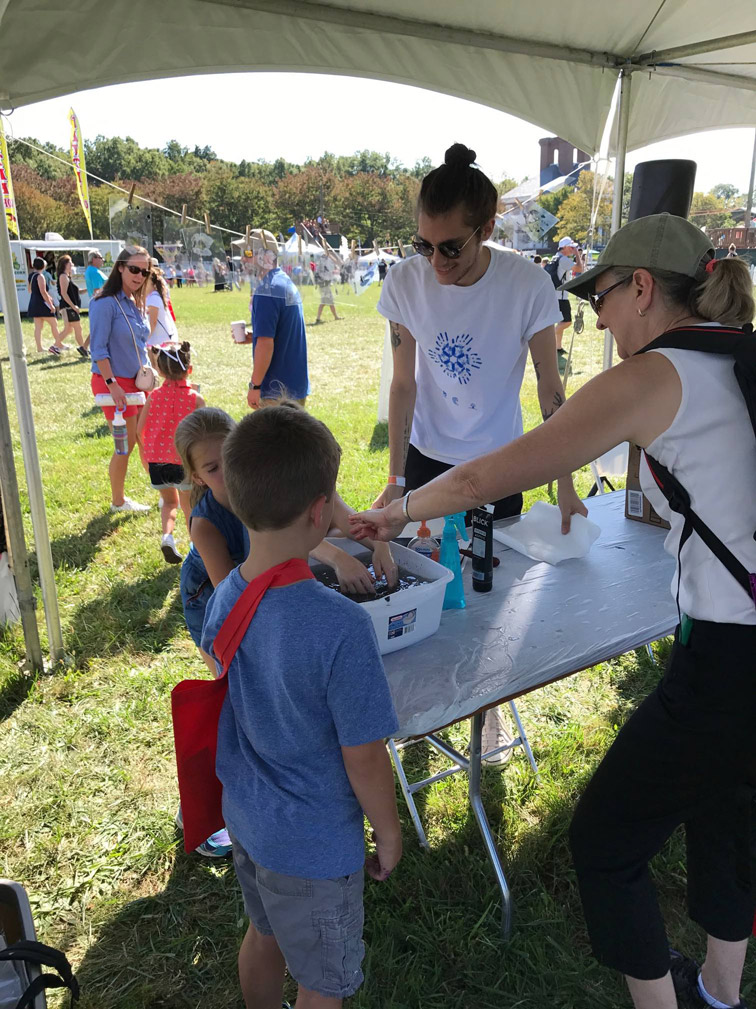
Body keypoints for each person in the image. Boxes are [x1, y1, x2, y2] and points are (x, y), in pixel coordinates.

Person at [351, 212, 756, 1009]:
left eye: (602, 295)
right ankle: (718, 990)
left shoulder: (654, 375)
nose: (595, 316)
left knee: (604, 840)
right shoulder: (738, 354)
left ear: (642, 287)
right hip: (738, 640)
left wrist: (397, 510)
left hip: (728, 653)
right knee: (727, 808)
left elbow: (482, 479)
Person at [373, 142, 585, 762]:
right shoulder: (405, 283)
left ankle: (481, 711)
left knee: (490, 593)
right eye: (423, 245)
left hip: (500, 463)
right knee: (424, 581)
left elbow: (551, 387)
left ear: (487, 229)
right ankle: (420, 707)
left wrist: (566, 483)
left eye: (451, 247)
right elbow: (405, 381)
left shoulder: (524, 283)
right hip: (427, 459)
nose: (435, 262)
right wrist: (394, 474)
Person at [202, 402, 402, 1008]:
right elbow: (364, 757)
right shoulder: (339, 626)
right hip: (314, 847)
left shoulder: (226, 595)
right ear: (321, 513)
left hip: (248, 821)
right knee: (322, 980)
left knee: (263, 936)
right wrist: (389, 833)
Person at [176, 408, 398, 674]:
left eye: (228, 458)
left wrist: (381, 544)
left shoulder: (263, 485)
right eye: (213, 468)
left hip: (256, 574)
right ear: (198, 477)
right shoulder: (205, 526)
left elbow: (297, 532)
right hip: (209, 590)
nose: (226, 473)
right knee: (230, 674)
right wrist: (337, 559)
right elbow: (231, 602)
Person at [89, 245, 153, 514]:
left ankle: (166, 492)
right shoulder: (105, 302)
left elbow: (139, 344)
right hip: (114, 382)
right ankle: (118, 501)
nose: (139, 276)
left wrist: (150, 372)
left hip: (138, 383)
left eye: (144, 271)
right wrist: (112, 384)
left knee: (145, 439)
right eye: (134, 269)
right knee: (124, 445)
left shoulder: (135, 301)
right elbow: (98, 349)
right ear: (120, 268)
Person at [136, 341, 202, 564]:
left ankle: (167, 537)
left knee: (169, 503)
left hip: (157, 463)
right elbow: (204, 434)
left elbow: (139, 430)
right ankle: (197, 546)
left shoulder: (153, 397)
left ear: (160, 371)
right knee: (188, 506)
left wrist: (146, 458)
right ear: (189, 369)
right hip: (184, 463)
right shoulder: (195, 399)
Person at [246, 231, 309, 410]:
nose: (243, 260)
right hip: (294, 386)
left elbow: (266, 344)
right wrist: (254, 336)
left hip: (277, 392)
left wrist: (255, 386)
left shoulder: (267, 291)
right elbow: (282, 332)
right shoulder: (282, 281)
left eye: (248, 254)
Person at [553, 236, 585, 368]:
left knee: (561, 321)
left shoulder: (556, 257)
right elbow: (579, 269)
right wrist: (578, 253)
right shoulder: (564, 260)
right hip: (561, 295)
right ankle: (550, 338)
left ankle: (557, 347)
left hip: (555, 294)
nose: (573, 249)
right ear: (565, 247)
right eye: (571, 247)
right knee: (567, 321)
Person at [27, 257, 65, 356]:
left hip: (33, 302)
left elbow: (29, 290)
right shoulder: (40, 276)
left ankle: (39, 347)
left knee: (38, 327)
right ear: (43, 266)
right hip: (42, 303)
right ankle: (59, 344)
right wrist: (51, 304)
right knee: (54, 323)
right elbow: (43, 292)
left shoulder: (31, 276)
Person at [56, 255, 89, 358]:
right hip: (68, 308)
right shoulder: (63, 277)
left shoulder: (67, 276)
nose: (72, 265)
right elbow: (64, 294)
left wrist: (88, 289)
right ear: (65, 264)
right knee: (77, 328)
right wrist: (73, 306)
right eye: (70, 262)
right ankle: (83, 348)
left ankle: (55, 345)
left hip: (69, 307)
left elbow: (75, 292)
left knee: (69, 329)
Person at [144, 268, 178, 348]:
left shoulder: (153, 298)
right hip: (157, 340)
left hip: (158, 342)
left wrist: (144, 340)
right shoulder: (151, 297)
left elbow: (153, 322)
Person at [313, 260, 342, 324]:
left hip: (323, 287)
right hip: (325, 288)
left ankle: (335, 316)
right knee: (326, 303)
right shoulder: (322, 269)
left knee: (327, 303)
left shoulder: (320, 269)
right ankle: (319, 318)